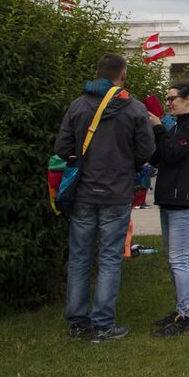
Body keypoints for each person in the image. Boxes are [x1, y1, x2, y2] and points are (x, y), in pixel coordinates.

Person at [54, 53, 156, 342]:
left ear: (97, 73)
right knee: (110, 258)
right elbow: (146, 151)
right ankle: (102, 323)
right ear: (122, 75)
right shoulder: (134, 109)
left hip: (84, 191)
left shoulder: (78, 105)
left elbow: (62, 148)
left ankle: (78, 322)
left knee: (79, 258)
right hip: (117, 192)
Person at [148, 80, 189, 337]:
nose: (169, 102)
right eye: (167, 98)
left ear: (187, 99)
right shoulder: (178, 126)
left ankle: (187, 315)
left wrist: (160, 128)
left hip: (183, 199)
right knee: (172, 259)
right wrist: (155, 132)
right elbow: (160, 155)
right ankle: (180, 309)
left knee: (179, 260)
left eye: (173, 98)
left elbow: (173, 153)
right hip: (169, 196)